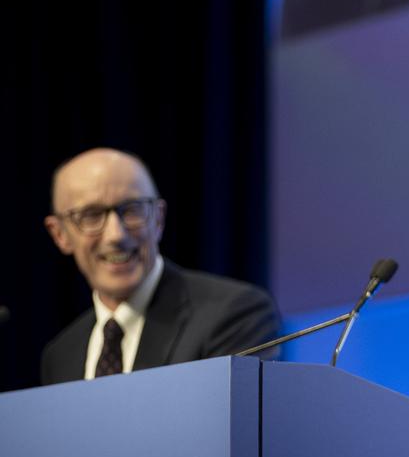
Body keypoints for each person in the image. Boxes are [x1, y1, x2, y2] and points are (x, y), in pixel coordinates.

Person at [41, 148, 281, 385]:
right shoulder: (60, 355)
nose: (116, 234)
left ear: (158, 218)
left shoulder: (234, 315)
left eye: (132, 209)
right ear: (60, 234)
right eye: (91, 215)